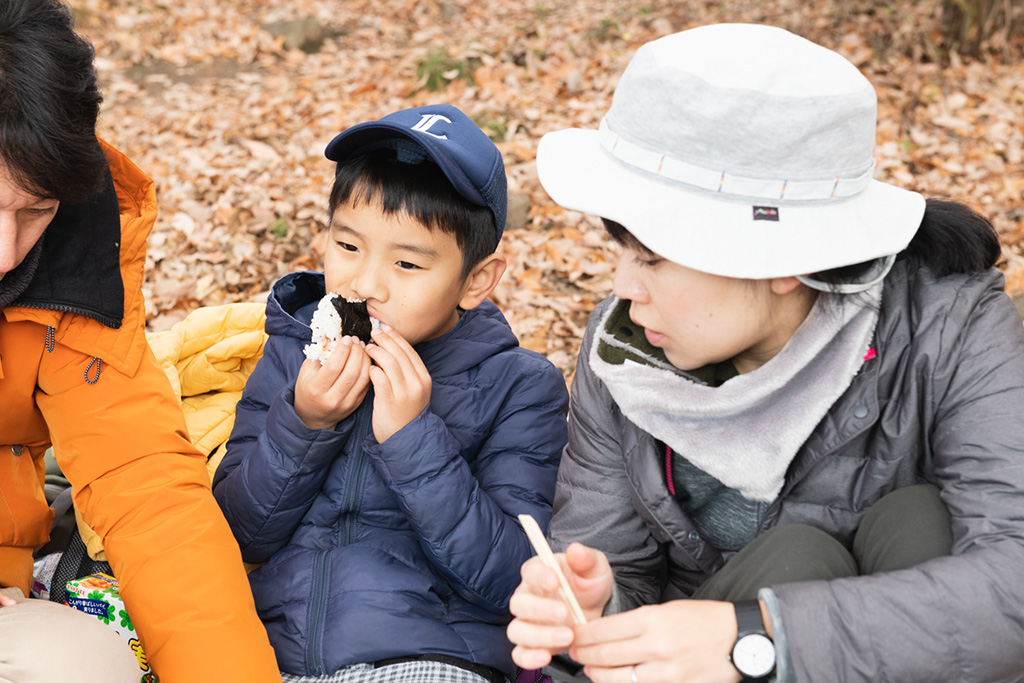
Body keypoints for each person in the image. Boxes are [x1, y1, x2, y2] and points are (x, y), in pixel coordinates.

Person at [505, 23, 1024, 683]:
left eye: (653, 257)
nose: (622, 287)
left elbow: (1014, 580)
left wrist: (761, 636)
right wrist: (597, 602)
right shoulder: (626, 352)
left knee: (916, 519)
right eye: (621, 249)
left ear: (782, 259)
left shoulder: (947, 325)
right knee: (796, 555)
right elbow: (618, 574)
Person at [212, 103, 570, 683]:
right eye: (348, 248)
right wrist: (305, 421)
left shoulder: (520, 388)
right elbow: (238, 533)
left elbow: (518, 578)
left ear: (476, 279)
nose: (365, 284)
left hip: (429, 658)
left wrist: (412, 439)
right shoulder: (291, 355)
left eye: (406, 262)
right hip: (269, 656)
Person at [0, 1, 281, 681]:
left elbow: (147, 488)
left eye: (33, 211)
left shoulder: (78, 247)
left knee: (92, 665)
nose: (5, 253)